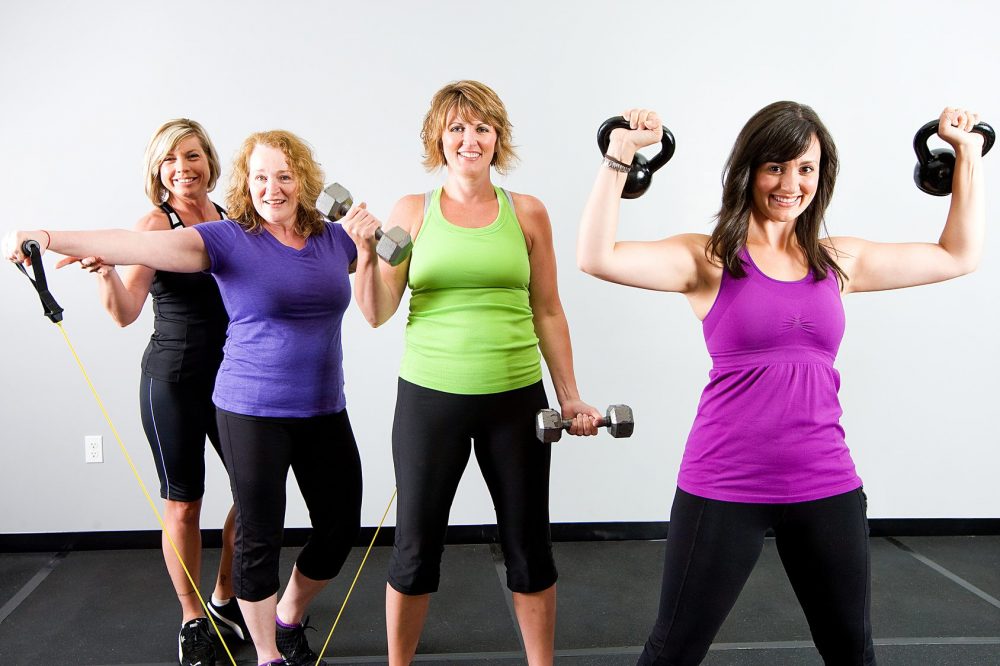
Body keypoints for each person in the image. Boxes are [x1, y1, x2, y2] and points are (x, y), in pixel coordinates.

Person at [577, 103, 985, 665]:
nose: (791, 184)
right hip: (724, 485)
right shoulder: (709, 258)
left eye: (806, 169)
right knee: (673, 652)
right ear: (748, 171)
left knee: (852, 653)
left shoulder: (836, 261)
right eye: (776, 167)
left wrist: (968, 156)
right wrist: (620, 154)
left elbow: (958, 255)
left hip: (826, 484)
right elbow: (595, 257)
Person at [5, 129, 378, 666]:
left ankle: (288, 615)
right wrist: (47, 235)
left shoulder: (332, 239)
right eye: (260, 177)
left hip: (323, 407)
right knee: (255, 533)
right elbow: (133, 244)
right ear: (246, 183)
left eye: (284, 176)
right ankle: (264, 653)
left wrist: (373, 242)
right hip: (245, 405)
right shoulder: (227, 238)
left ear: (306, 181)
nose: (272, 188)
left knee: (340, 528)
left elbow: (397, 273)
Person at [342, 79, 601, 666]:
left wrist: (569, 395)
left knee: (529, 545)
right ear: (438, 138)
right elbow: (378, 312)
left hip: (517, 400)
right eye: (457, 127)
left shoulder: (527, 212)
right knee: (416, 548)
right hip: (430, 401)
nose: (470, 139)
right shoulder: (411, 213)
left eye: (482, 128)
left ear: (497, 138)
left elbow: (548, 309)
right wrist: (363, 255)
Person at [56, 118, 246, 666]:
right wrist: (104, 275)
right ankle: (192, 618)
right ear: (158, 170)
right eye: (170, 159)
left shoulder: (234, 218)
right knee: (184, 504)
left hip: (235, 377)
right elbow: (125, 313)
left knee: (255, 493)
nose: (182, 168)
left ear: (209, 161)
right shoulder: (154, 225)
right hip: (174, 381)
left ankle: (225, 597)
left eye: (192, 155)